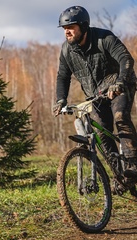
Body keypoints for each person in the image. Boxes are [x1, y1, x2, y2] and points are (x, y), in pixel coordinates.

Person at [53, 6, 137, 180]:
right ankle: (119, 176)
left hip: (119, 85)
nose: (67, 32)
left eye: (71, 27)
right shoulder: (67, 50)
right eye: (64, 29)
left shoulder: (104, 38)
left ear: (83, 26)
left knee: (120, 116)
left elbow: (125, 59)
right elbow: (63, 76)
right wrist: (60, 100)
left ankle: (132, 164)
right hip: (96, 95)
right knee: (100, 133)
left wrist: (120, 82)